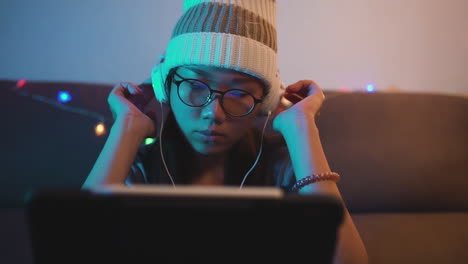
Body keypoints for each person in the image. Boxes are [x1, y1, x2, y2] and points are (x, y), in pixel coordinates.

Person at [82, 0, 369, 263]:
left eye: (239, 93)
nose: (214, 113)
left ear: (265, 103)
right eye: (195, 86)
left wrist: (301, 128)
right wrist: (128, 128)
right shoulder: (138, 167)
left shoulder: (282, 167)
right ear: (164, 87)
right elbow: (74, 249)